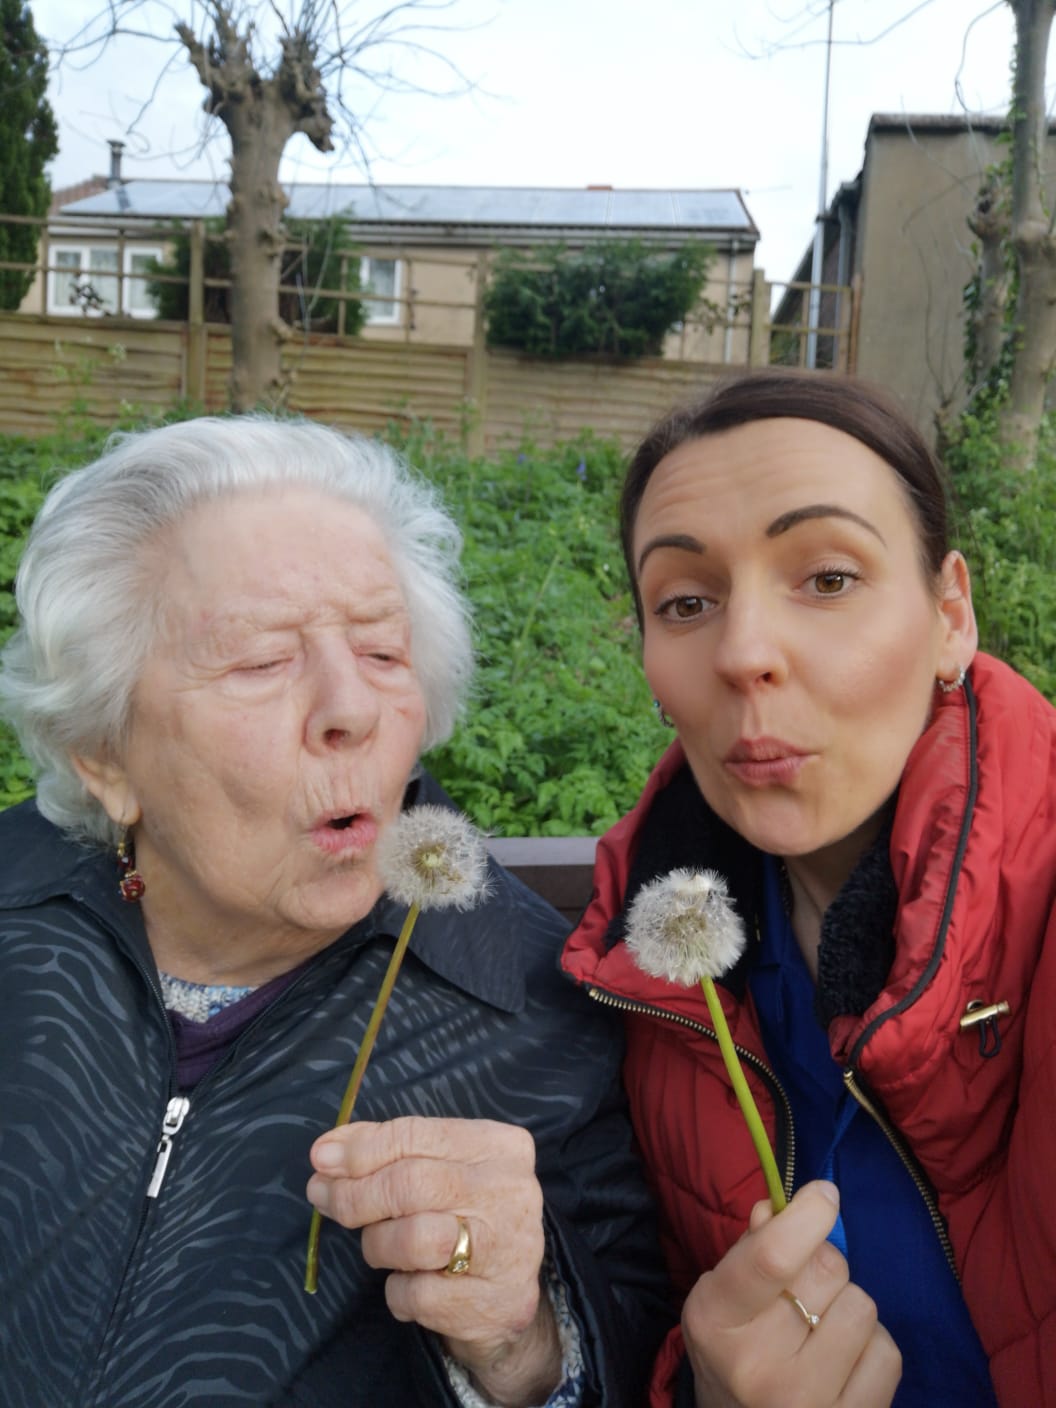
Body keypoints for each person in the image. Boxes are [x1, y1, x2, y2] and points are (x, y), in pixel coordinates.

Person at [0, 415, 670, 1408]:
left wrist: (525, 1345)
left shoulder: (540, 1008)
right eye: (262, 661)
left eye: (385, 654)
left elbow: (627, 1357)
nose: (350, 707)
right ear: (106, 755)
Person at [561, 371, 1056, 1408]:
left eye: (827, 577)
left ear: (951, 615)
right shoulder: (649, 980)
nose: (742, 653)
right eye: (686, 601)